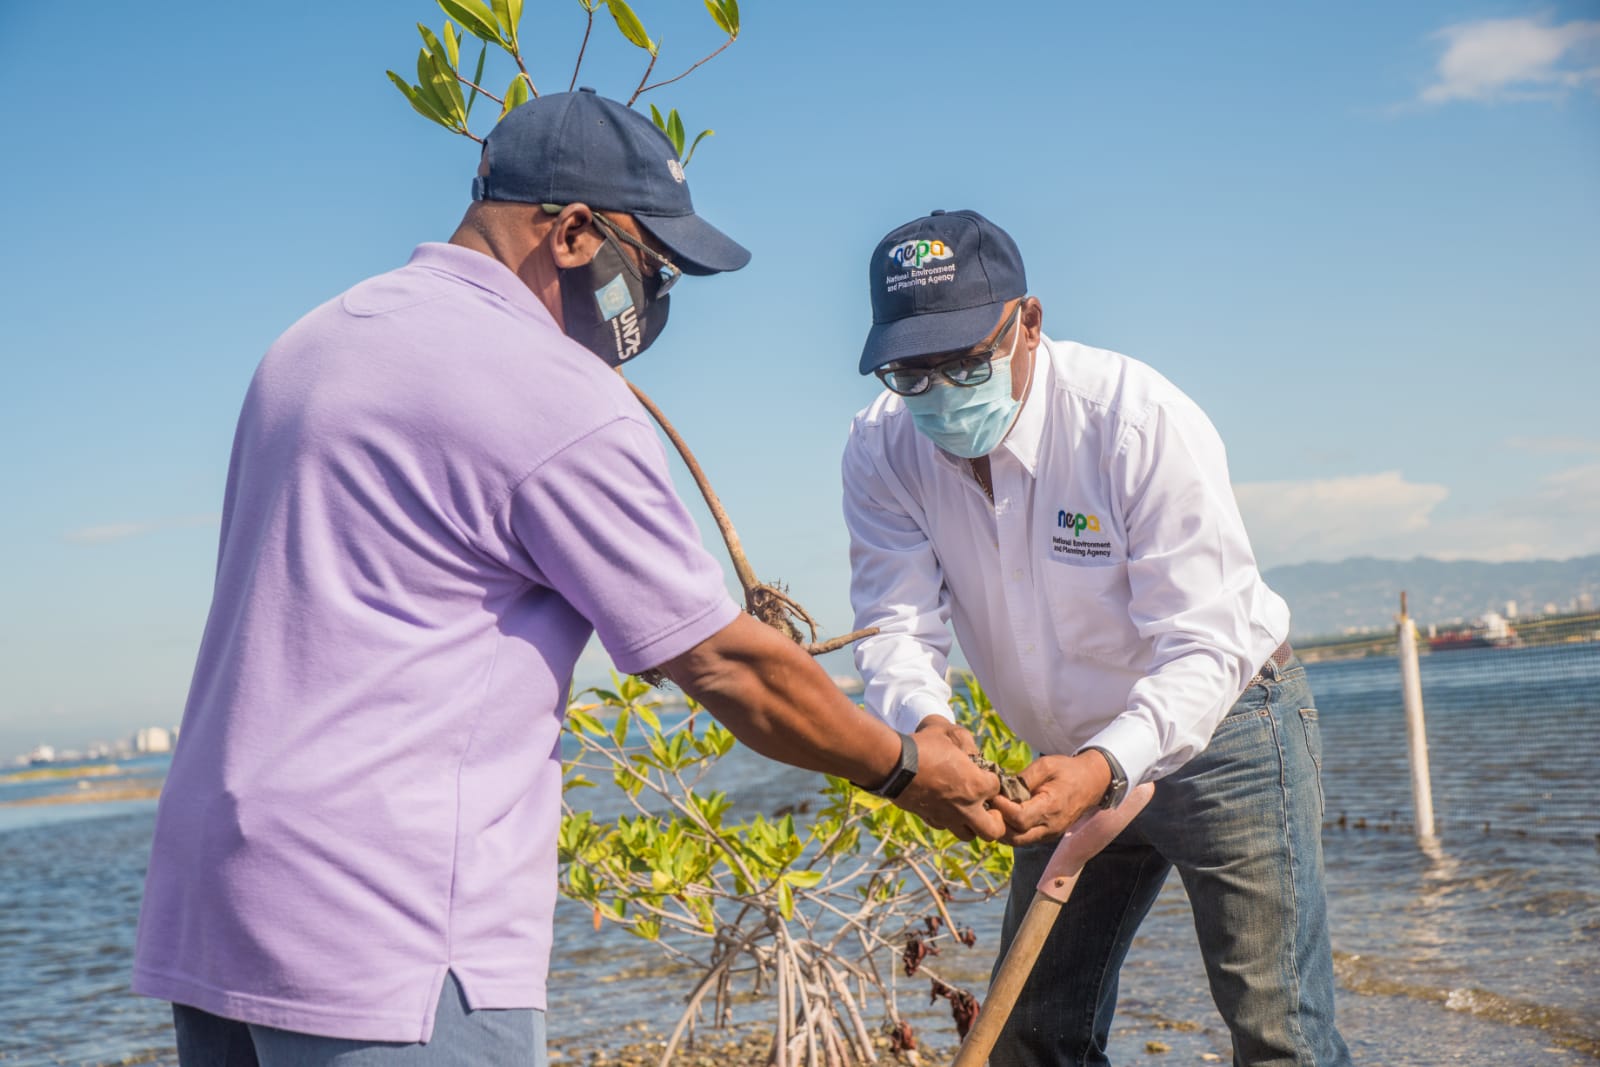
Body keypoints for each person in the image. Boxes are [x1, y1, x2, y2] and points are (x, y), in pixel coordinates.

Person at [132, 92, 1003, 1067]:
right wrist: (905, 767)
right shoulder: (549, 390)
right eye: (656, 268)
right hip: (393, 937)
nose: (656, 299)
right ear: (577, 232)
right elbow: (726, 663)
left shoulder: (309, 345)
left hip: (214, 907)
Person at [841, 209, 1351, 1066]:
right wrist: (926, 724)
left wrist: (1108, 766)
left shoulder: (1134, 420)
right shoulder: (881, 447)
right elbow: (894, 619)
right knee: (1033, 1034)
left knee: (1278, 1032)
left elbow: (1204, 642)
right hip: (1060, 760)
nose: (939, 391)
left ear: (1029, 323)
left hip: (1225, 733)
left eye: (965, 362)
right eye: (911, 371)